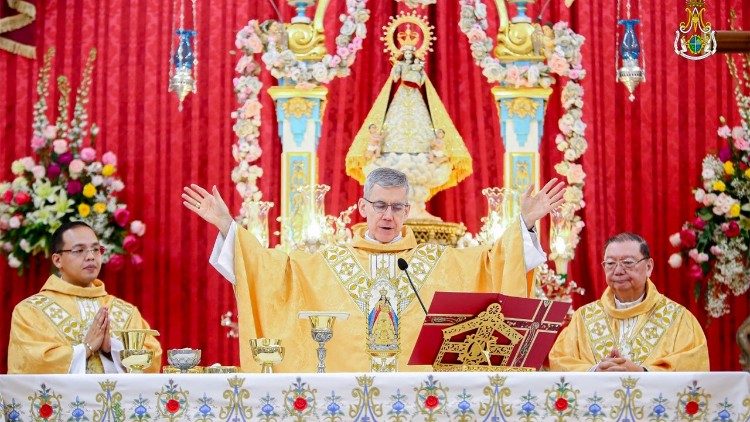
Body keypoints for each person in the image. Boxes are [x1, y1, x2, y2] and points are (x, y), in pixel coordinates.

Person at [182, 168, 565, 372]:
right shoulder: (325, 260)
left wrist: (525, 225)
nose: (388, 215)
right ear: (363, 206)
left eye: (398, 207)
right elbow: (267, 271)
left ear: (408, 210)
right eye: (380, 205)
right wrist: (227, 227)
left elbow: (494, 263)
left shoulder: (440, 260)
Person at [7, 221, 161, 374]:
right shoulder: (30, 311)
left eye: (95, 249)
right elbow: (29, 363)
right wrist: (85, 348)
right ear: (57, 260)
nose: (90, 257)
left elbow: (152, 359)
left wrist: (111, 349)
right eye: (79, 250)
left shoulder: (125, 311)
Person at [549, 232, 709, 372]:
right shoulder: (582, 318)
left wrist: (642, 372)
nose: (618, 270)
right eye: (610, 263)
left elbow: (694, 366)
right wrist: (595, 371)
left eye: (628, 263)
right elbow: (559, 360)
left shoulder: (679, 319)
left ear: (648, 266)